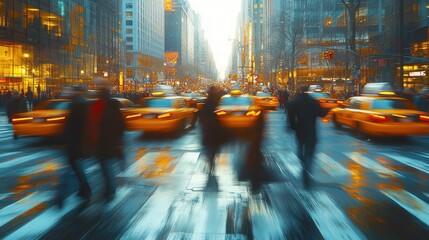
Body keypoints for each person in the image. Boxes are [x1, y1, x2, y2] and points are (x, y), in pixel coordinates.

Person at [287, 85, 328, 189]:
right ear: (308, 91)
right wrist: (327, 109)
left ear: (300, 90)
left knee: (300, 148)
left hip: (300, 130)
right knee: (310, 152)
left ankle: (303, 164)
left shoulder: (295, 102)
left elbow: (290, 115)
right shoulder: (313, 101)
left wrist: (293, 126)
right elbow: (322, 114)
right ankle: (306, 168)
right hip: (311, 131)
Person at [92, 87, 125, 199]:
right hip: (109, 142)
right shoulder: (112, 106)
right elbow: (120, 125)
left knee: (106, 167)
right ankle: (109, 189)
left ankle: (110, 190)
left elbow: (95, 124)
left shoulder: (102, 106)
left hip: (105, 142)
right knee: (106, 167)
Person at [199, 85, 225, 177]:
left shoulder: (207, 103)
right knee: (214, 148)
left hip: (208, 130)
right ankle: (212, 162)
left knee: (209, 148)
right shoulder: (216, 102)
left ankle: (210, 163)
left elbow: (202, 116)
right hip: (215, 130)